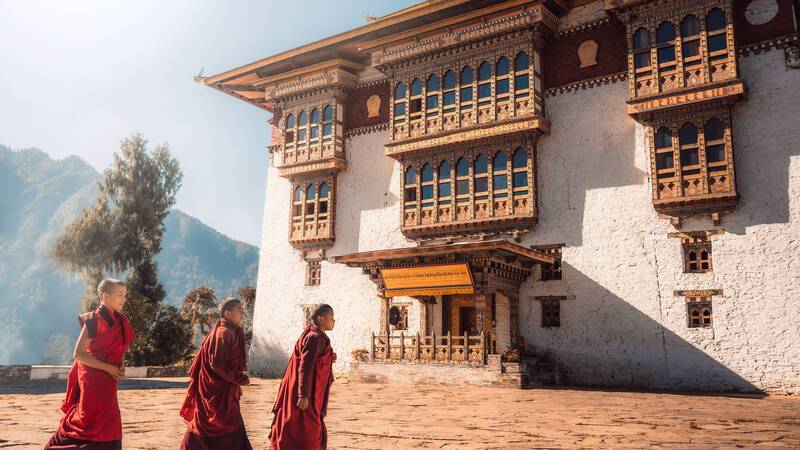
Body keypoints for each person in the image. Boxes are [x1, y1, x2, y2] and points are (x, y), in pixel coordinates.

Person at [44, 278, 134, 450]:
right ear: (105, 297)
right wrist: (110, 368)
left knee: (109, 418)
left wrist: (120, 366)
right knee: (88, 417)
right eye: (120, 295)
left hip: (109, 379)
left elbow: (121, 346)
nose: (124, 299)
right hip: (93, 379)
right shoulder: (93, 320)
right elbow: (78, 353)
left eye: (125, 295)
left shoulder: (120, 321)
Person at [180, 297, 253, 450]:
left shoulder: (230, 331)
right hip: (216, 392)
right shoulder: (223, 333)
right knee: (224, 424)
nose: (242, 313)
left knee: (208, 424)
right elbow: (218, 365)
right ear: (227, 313)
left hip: (222, 391)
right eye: (239, 310)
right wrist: (239, 378)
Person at [269, 303, 337, 450]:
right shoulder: (314, 337)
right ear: (321, 319)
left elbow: (315, 359)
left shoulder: (314, 336)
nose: (334, 320)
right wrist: (303, 394)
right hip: (306, 392)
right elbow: (305, 366)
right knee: (307, 428)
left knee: (300, 426)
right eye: (331, 317)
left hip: (307, 390)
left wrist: (329, 356)